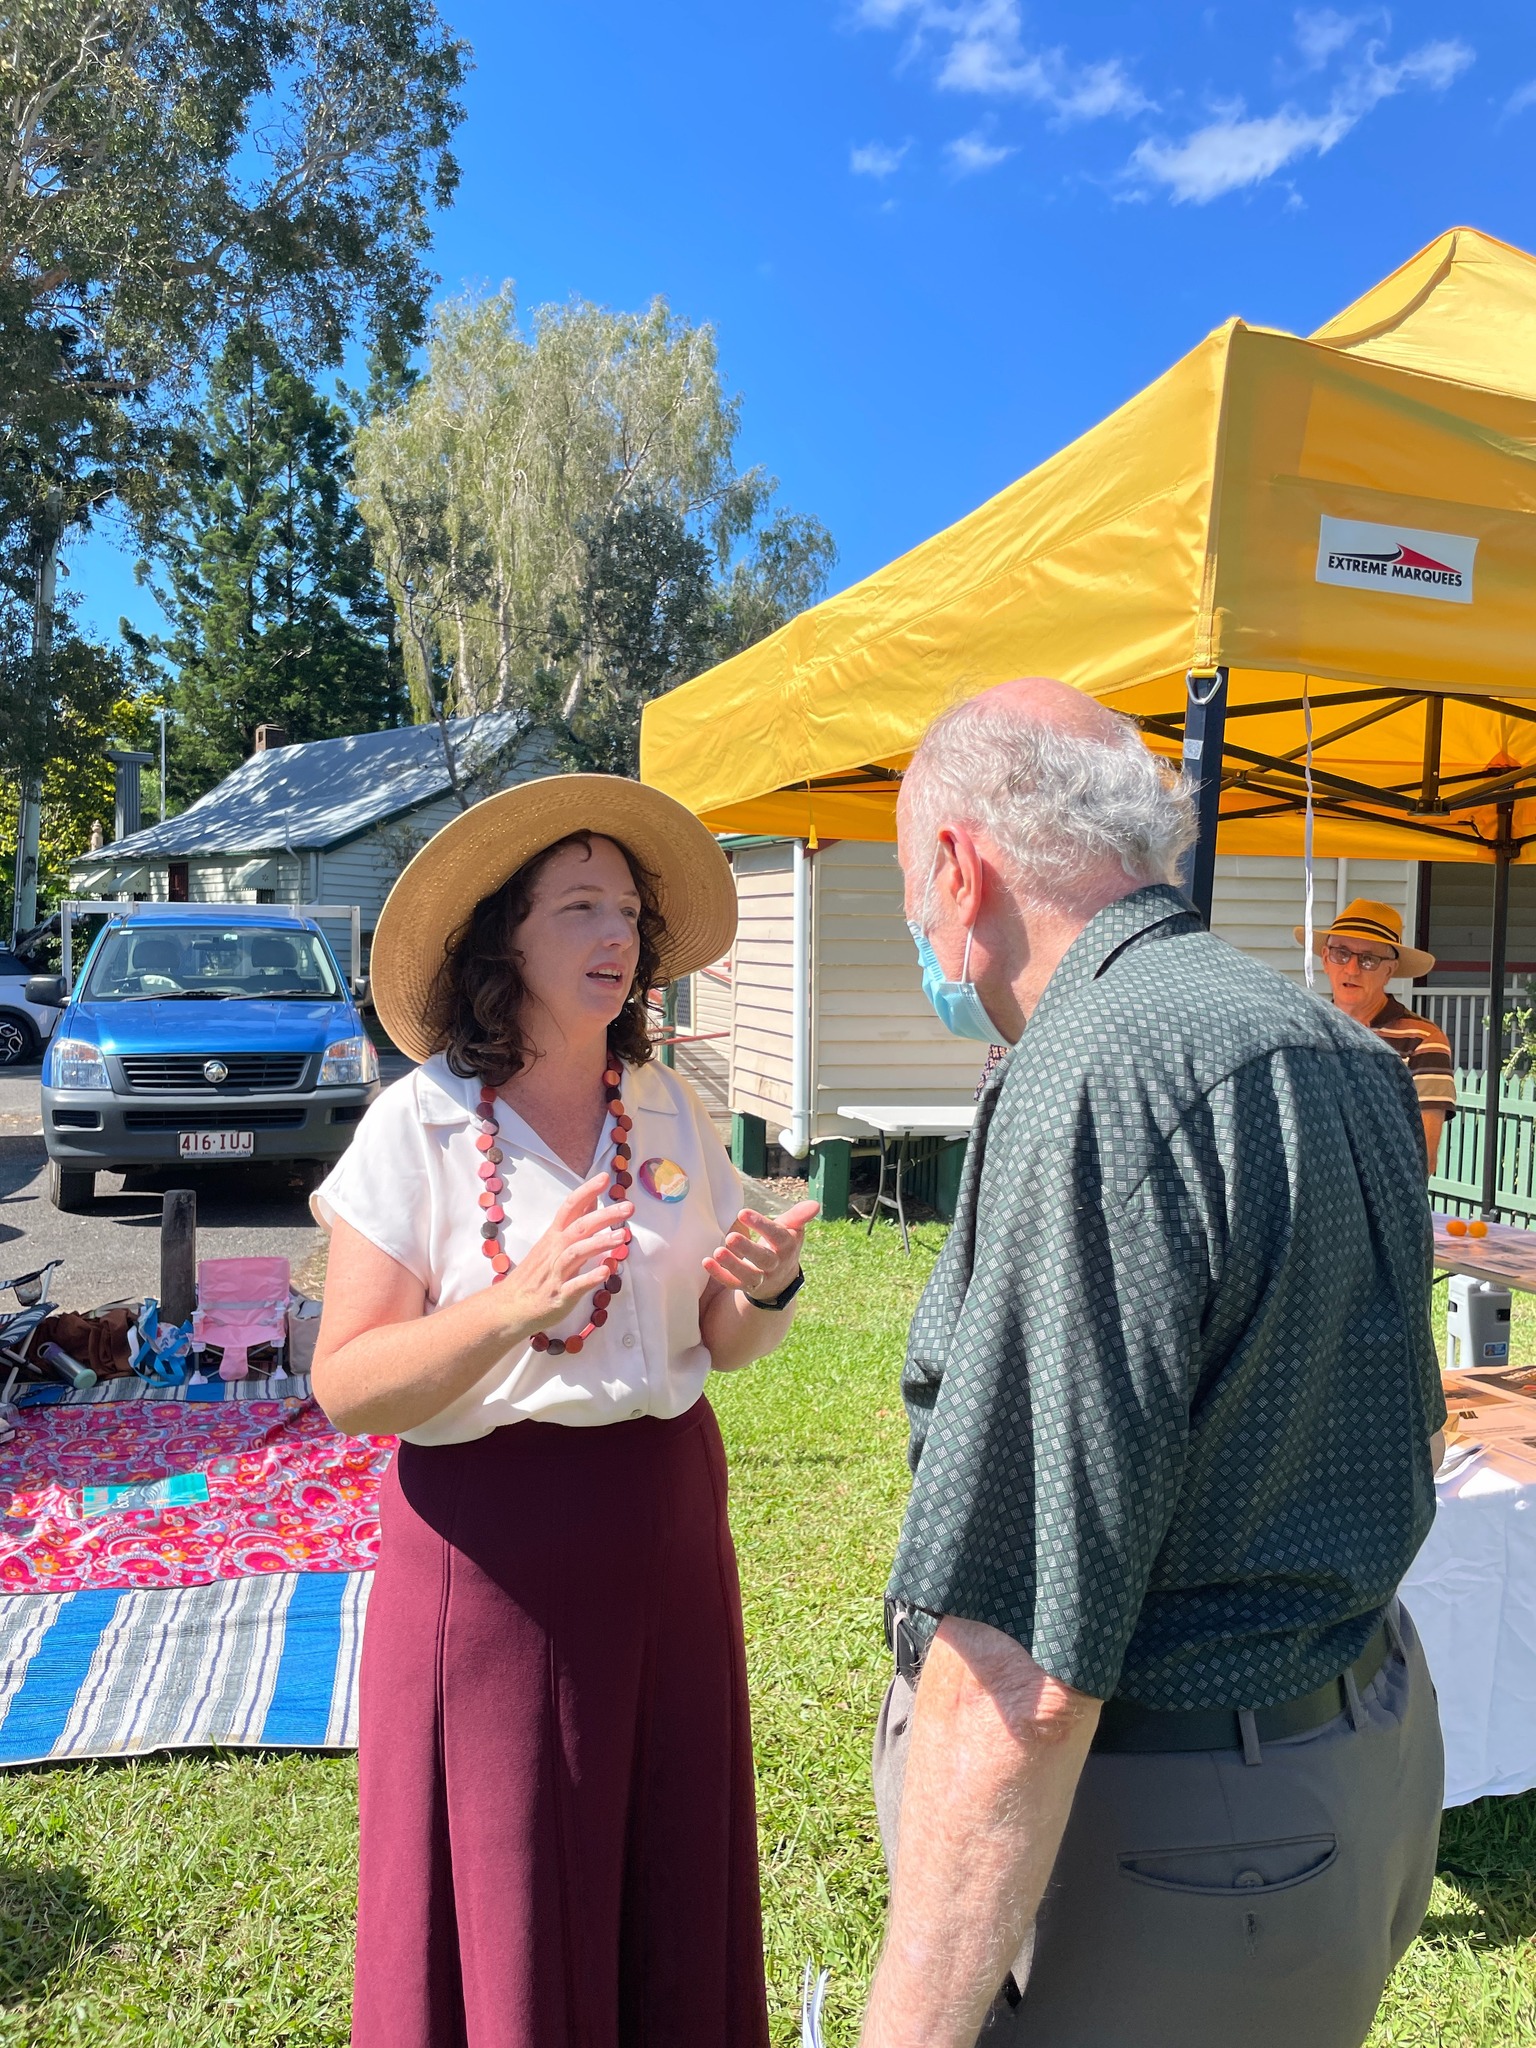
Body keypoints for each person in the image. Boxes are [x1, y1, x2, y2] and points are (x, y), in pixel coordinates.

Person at [860, 680, 1446, 2048]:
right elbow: (1406, 1430)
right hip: (1350, 1764)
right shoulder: (1335, 1049)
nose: (920, 932)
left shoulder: (1095, 1070)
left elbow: (1022, 1658)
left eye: (905, 885)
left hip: (1164, 1841)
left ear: (958, 865)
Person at [310, 775, 817, 2048]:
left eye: (631, 911)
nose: (618, 935)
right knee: (508, 1876)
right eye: (579, 904)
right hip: (492, 1556)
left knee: (665, 1867)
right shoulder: (418, 1124)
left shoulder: (669, 1110)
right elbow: (347, 1384)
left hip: (664, 1529)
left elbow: (723, 1339)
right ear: (503, 937)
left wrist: (769, 1288)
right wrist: (508, 1306)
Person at [1299, 899, 1455, 1169]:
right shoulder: (1303, 1031)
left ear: (1389, 971)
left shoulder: (1423, 1040)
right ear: (1325, 959)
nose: (1351, 969)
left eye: (1368, 960)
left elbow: (1423, 1157)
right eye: (1341, 954)